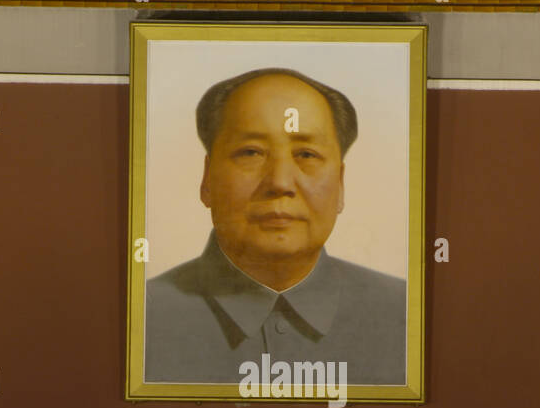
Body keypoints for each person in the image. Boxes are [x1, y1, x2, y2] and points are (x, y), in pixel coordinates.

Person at [144, 67, 407, 386]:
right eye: (251, 152)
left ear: (340, 184)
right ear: (207, 180)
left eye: (307, 154)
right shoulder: (141, 318)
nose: (280, 182)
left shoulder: (407, 318)